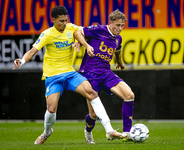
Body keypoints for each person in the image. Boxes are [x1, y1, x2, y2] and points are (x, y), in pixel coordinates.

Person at [13, 6, 127, 145]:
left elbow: (80, 32)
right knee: (51, 108)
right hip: (53, 76)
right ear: (53, 20)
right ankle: (47, 132)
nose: (64, 23)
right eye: (61, 21)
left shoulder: (71, 27)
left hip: (70, 73)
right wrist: (22, 61)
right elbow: (33, 51)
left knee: (92, 93)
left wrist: (82, 43)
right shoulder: (47, 34)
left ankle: (109, 130)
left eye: (66, 20)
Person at [74, 9, 135, 144]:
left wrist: (119, 62)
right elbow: (77, 32)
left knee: (129, 95)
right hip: (90, 74)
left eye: (122, 26)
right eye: (117, 25)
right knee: (94, 115)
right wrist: (86, 44)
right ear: (110, 22)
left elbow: (117, 51)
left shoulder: (118, 38)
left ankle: (127, 133)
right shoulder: (98, 29)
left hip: (106, 73)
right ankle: (88, 131)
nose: (120, 28)